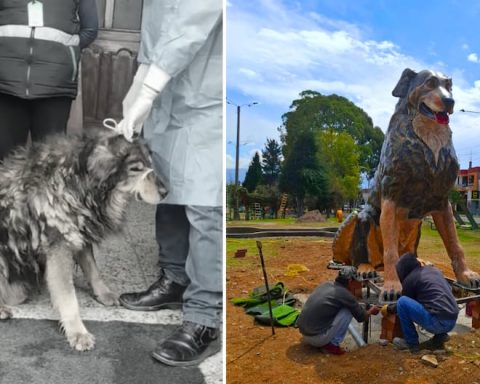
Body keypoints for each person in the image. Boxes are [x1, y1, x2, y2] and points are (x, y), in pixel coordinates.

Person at [116, 0, 222, 367]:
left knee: (206, 207)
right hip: (170, 97)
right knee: (169, 191)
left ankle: (204, 317)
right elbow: (157, 33)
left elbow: (192, 22)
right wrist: (135, 91)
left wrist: (147, 92)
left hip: (208, 101)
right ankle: (174, 279)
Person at [0, 0, 98, 160]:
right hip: (6, 83)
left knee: (49, 162)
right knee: (6, 161)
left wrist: (64, 53)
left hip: (55, 85)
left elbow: (90, 30)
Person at [383, 252, 459, 353]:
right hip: (452, 320)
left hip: (437, 323)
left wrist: (388, 308)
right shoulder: (434, 270)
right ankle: (441, 337)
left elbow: (403, 306)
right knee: (432, 301)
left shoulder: (410, 280)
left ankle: (411, 343)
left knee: (402, 302)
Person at [296, 267, 379, 355]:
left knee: (340, 307)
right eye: (357, 282)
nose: (360, 284)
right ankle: (332, 345)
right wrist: (371, 311)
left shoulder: (326, 284)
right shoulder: (345, 295)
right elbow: (362, 317)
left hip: (304, 333)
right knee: (348, 310)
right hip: (316, 339)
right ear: (350, 281)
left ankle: (325, 340)